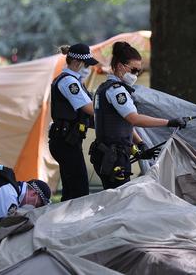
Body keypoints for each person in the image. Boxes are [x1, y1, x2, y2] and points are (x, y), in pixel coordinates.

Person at [91, 41, 188, 189]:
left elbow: (122, 123)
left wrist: (140, 144)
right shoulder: (117, 91)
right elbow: (134, 119)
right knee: (120, 203)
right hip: (113, 157)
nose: (136, 75)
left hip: (108, 154)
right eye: (134, 70)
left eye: (139, 71)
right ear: (119, 66)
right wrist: (169, 122)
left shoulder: (104, 88)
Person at [49, 43, 98, 201]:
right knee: (79, 190)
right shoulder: (70, 82)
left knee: (71, 190)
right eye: (87, 65)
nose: (88, 69)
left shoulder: (73, 80)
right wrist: (110, 116)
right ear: (77, 63)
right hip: (65, 141)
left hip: (68, 140)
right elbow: (89, 108)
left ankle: (64, 223)